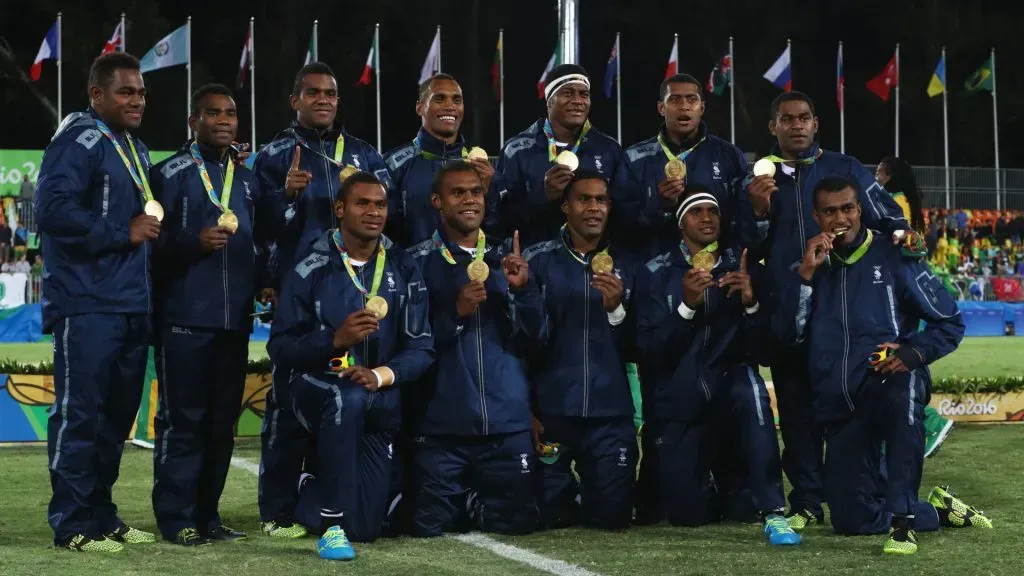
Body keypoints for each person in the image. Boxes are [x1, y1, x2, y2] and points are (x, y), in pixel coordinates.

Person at [777, 176, 991, 555]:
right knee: (852, 521)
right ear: (816, 217)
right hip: (840, 406)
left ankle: (903, 523)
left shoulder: (894, 256)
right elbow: (788, 338)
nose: (840, 218)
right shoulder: (808, 267)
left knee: (905, 384)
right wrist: (806, 277)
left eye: (847, 208)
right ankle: (937, 510)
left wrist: (912, 352)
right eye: (830, 211)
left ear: (860, 210)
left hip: (885, 380)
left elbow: (949, 321)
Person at [743, 91, 913, 531]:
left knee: (853, 408)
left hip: (844, 313)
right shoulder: (757, 179)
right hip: (790, 308)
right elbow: (747, 243)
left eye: (804, 117)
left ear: (816, 123)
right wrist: (758, 211)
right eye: (787, 119)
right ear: (773, 127)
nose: (796, 125)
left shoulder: (846, 168)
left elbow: (890, 219)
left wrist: (904, 237)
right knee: (796, 412)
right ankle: (806, 502)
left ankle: (875, 493)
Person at [253, 62, 392, 539]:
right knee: (287, 402)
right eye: (312, 93)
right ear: (295, 100)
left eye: (330, 93)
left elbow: (389, 214)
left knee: (345, 395)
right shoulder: (274, 155)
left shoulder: (364, 154)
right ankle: (276, 510)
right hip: (300, 290)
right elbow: (256, 227)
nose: (323, 100)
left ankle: (321, 492)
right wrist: (283, 197)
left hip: (357, 287)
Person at [268, 172, 434, 560]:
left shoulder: (404, 266)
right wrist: (334, 340)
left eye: (380, 204)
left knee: (366, 528)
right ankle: (331, 529)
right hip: (315, 385)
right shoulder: (310, 267)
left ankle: (311, 488)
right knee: (348, 399)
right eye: (363, 203)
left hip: (377, 393)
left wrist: (378, 375)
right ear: (340, 209)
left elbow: (422, 347)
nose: (374, 212)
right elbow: (280, 346)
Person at [35, 52, 160, 552]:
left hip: (130, 304)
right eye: (126, 91)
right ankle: (72, 523)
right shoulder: (78, 140)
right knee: (81, 416)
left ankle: (102, 514)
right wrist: (120, 231)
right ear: (97, 94)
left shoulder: (136, 148)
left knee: (113, 421)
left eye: (141, 93)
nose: (137, 100)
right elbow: (51, 209)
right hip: (86, 302)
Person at [149, 84, 281, 546]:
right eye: (213, 113)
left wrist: (265, 279)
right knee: (183, 422)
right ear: (194, 121)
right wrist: (193, 242)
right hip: (184, 319)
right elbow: (149, 244)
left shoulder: (247, 180)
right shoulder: (168, 173)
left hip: (234, 321)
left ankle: (208, 516)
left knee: (222, 425)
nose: (224, 120)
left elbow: (261, 241)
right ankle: (176, 519)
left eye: (230, 113)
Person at [634, 187, 799, 545]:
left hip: (730, 383)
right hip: (682, 394)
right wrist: (686, 307)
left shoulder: (742, 267)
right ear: (681, 223)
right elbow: (649, 351)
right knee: (687, 516)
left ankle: (774, 511)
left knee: (752, 392)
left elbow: (765, 351)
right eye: (697, 212)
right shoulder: (655, 272)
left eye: (713, 211)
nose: (707, 218)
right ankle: (715, 478)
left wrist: (751, 304)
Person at [406, 162, 544, 538]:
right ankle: (467, 499)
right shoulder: (414, 262)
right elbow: (408, 343)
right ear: (437, 201)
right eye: (458, 193)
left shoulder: (509, 259)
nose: (470, 200)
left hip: (505, 423)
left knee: (519, 524)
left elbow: (536, 338)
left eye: (476, 192)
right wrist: (455, 314)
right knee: (427, 527)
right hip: (442, 425)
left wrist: (523, 291)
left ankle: (474, 501)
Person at [523, 171, 638, 531]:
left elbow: (645, 344)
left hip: (609, 414)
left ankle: (591, 492)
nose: (593, 208)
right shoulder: (536, 260)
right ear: (565, 206)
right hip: (552, 412)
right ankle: (569, 493)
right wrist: (527, 409)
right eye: (583, 199)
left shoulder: (630, 264)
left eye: (600, 200)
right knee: (545, 515)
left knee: (613, 518)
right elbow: (520, 343)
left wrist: (617, 310)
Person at [623, 74, 761, 257]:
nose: (684, 106)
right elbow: (623, 225)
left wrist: (760, 208)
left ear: (701, 108)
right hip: (654, 268)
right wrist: (661, 207)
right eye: (675, 99)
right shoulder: (634, 158)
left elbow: (741, 222)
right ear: (661, 108)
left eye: (691, 99)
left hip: (715, 267)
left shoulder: (729, 156)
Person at [498, 64, 633, 248]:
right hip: (534, 259)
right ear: (549, 100)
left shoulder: (609, 150)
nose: (577, 100)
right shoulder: (516, 150)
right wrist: (543, 196)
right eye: (568, 93)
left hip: (593, 260)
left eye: (583, 94)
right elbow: (501, 219)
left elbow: (624, 216)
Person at [876, 156, 955, 458]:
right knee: (897, 354)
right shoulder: (910, 202)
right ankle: (910, 424)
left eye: (879, 173)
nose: (875, 178)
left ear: (889, 175)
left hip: (898, 289)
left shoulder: (893, 201)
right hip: (910, 287)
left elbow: (893, 237)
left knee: (890, 355)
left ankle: (928, 421)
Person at [384, 73, 504, 246]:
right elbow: (383, 230)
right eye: (439, 99)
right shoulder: (393, 165)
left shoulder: (482, 169)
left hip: (470, 263)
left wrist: (491, 193)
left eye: (457, 100)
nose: (450, 106)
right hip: (412, 263)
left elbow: (498, 230)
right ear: (420, 107)